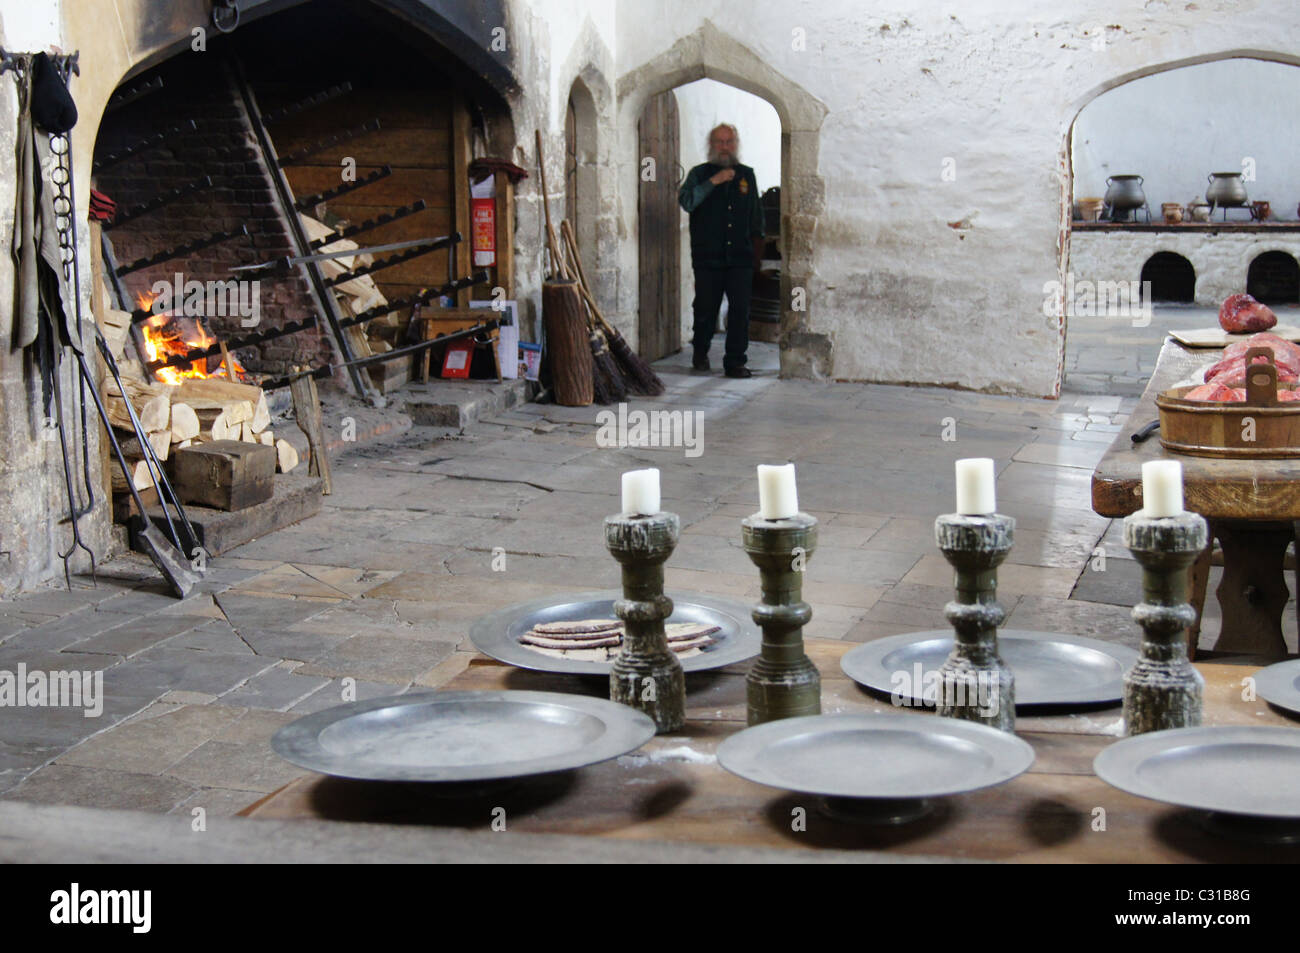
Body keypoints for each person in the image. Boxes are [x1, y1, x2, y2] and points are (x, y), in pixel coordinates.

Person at [677, 123, 764, 377]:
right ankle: (700, 350)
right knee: (705, 308)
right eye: (719, 142)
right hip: (708, 257)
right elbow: (687, 201)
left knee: (740, 310)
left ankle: (735, 361)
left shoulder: (747, 175)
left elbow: (756, 216)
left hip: (740, 257)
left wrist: (756, 256)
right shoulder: (699, 173)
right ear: (711, 145)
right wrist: (714, 181)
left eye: (729, 141)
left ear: (736, 144)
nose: (724, 147)